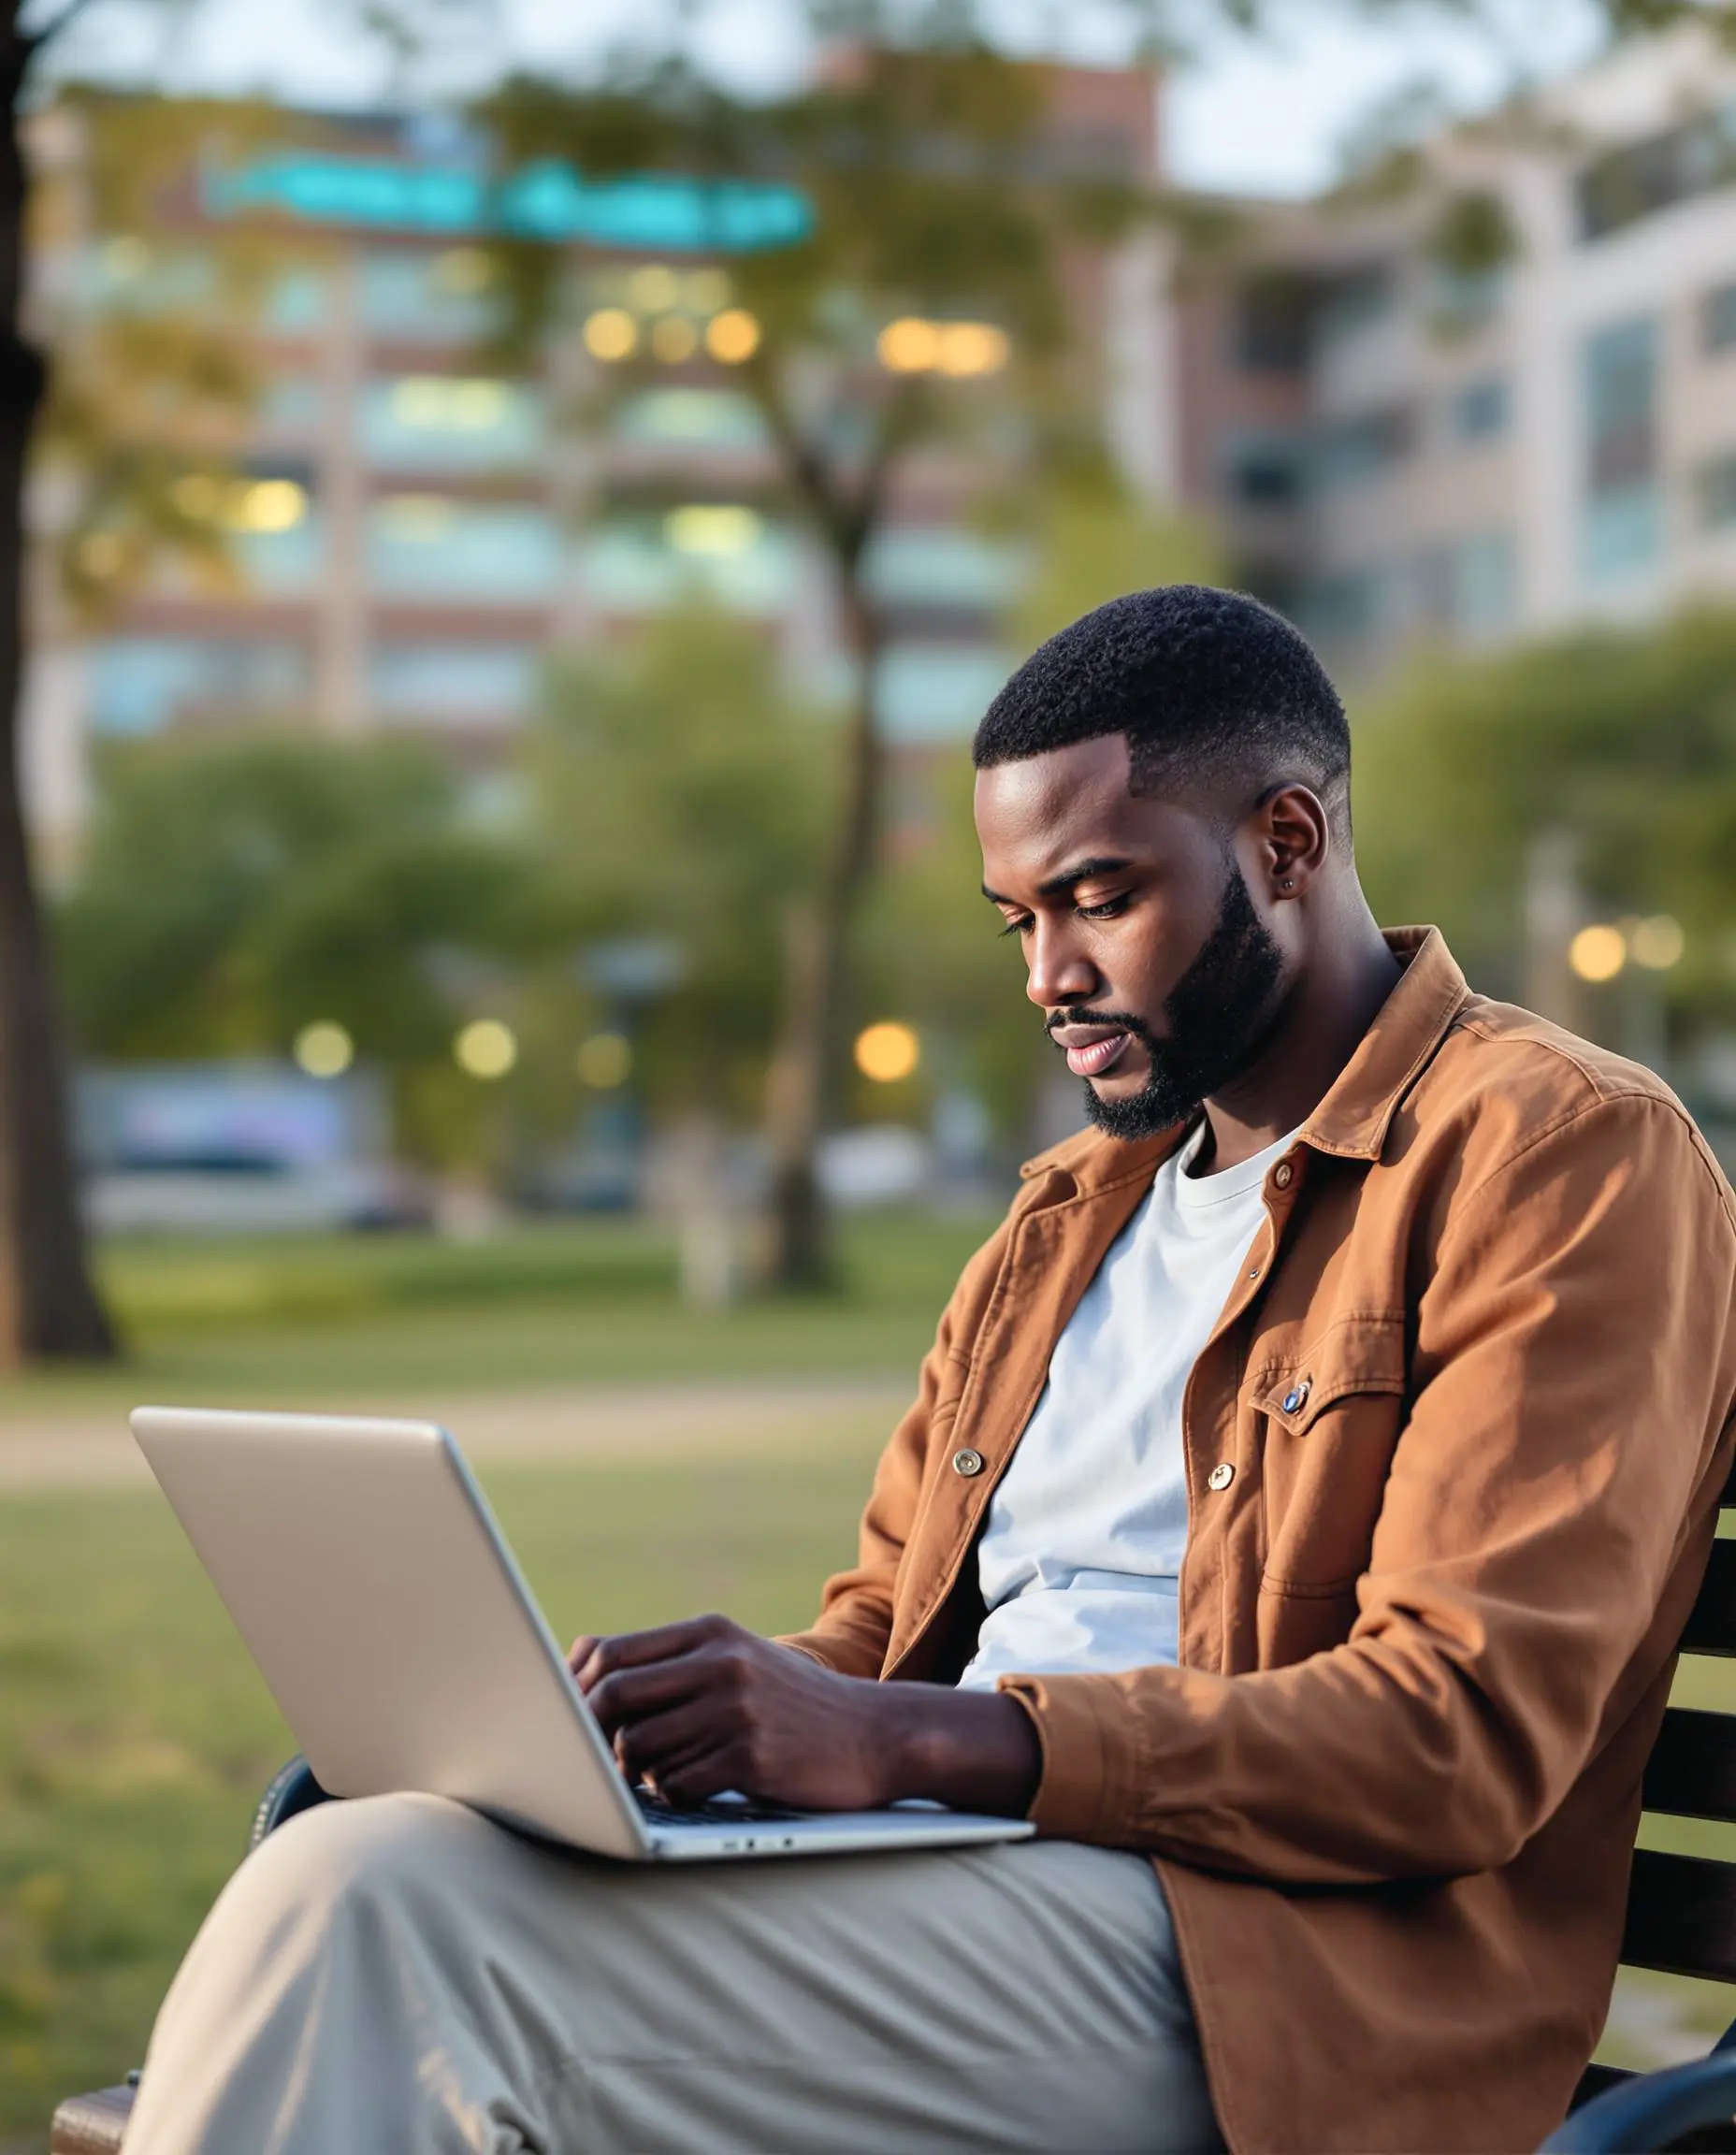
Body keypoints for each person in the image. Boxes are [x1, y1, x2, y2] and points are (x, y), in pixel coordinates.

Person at [126, 586, 1736, 2155]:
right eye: (1020, 919)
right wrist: (681, 1723)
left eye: (1101, 897)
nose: (1046, 974)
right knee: (388, 1849)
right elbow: (886, 1636)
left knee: (390, 1926)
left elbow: (1456, 1738)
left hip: (1283, 1979)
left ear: (1286, 844)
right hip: (976, 1883)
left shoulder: (1559, 1155)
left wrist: (908, 1746)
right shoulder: (1063, 1220)